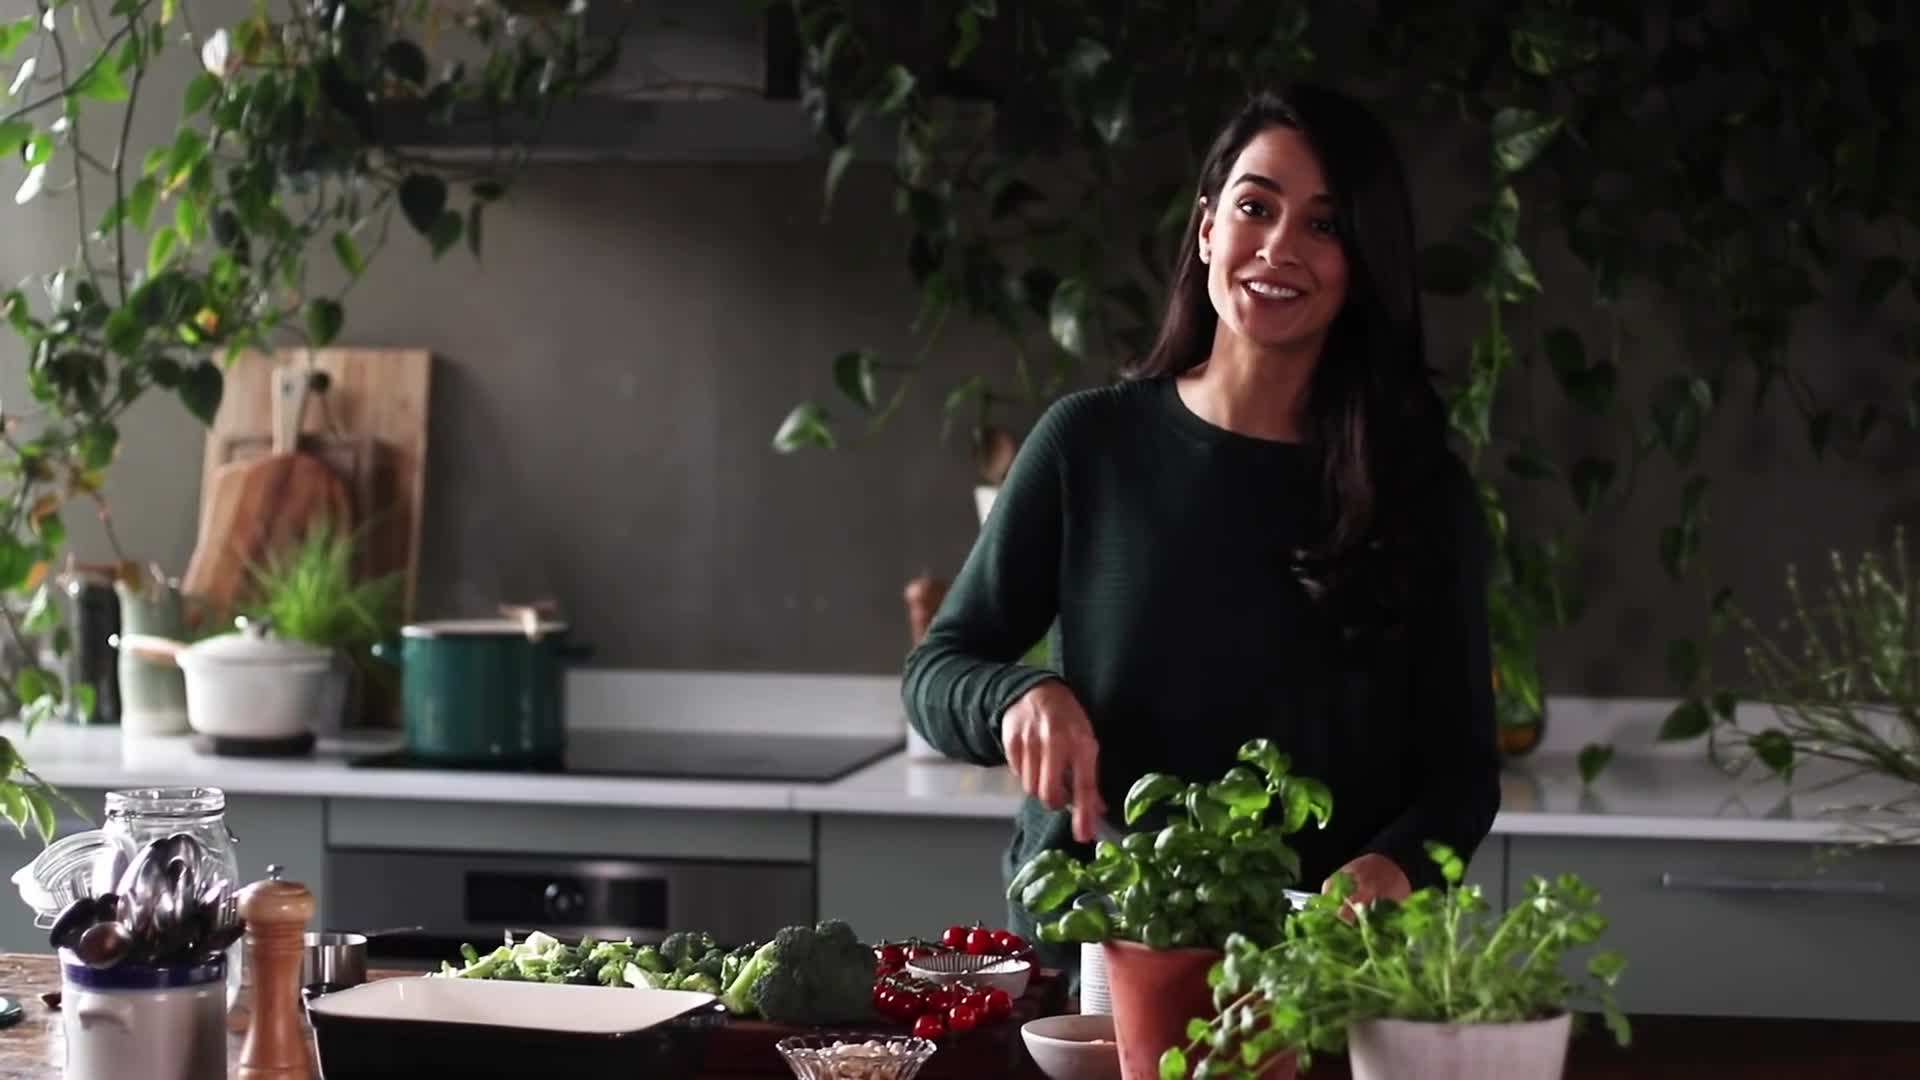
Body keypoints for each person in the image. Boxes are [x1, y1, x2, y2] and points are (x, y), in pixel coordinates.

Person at [901, 84, 1501, 975]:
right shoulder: (1090, 444)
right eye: (1256, 206)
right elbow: (938, 671)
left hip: (1314, 968)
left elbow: (1460, 779)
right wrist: (1020, 697)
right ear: (1208, 227)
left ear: (1363, 263)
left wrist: (1391, 869)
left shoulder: (1420, 492)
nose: (1279, 247)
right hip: (1097, 955)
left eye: (1325, 226)